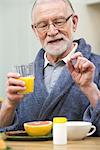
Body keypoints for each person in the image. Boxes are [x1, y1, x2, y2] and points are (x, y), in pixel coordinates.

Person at [0, 0, 100, 136]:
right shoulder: (25, 77)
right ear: (35, 30)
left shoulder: (96, 66)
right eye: (42, 25)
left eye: (59, 22)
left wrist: (90, 89)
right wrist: (9, 105)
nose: (52, 31)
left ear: (74, 22)